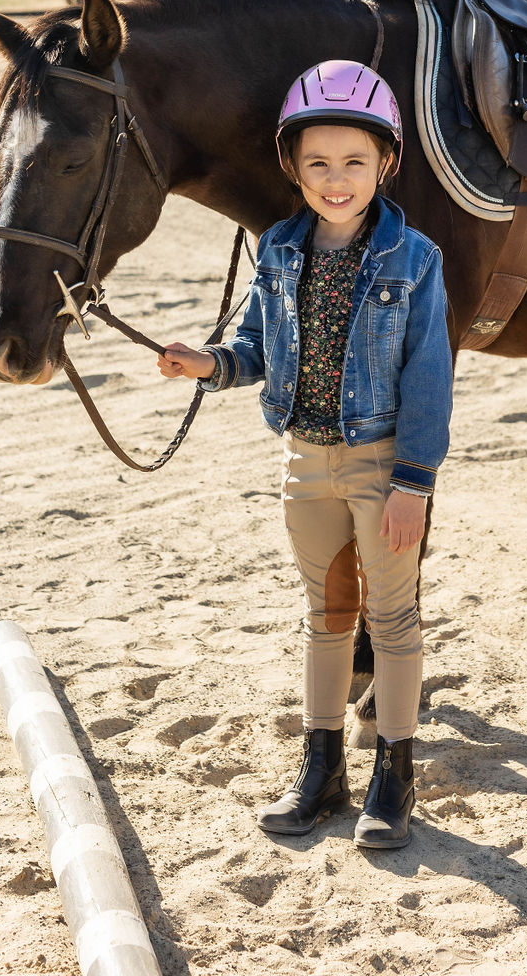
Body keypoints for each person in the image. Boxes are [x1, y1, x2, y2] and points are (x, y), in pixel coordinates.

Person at [157, 60, 453, 850]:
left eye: (355, 161)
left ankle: (396, 773)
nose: (336, 179)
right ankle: (321, 769)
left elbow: (429, 382)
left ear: (385, 163)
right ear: (291, 166)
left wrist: (414, 484)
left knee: (391, 619)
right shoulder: (280, 248)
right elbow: (255, 345)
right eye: (317, 162)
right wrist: (209, 363)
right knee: (325, 619)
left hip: (381, 463)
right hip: (303, 461)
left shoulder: (415, 259)